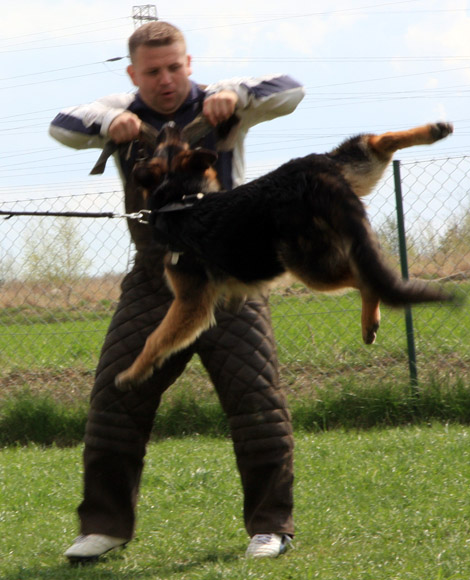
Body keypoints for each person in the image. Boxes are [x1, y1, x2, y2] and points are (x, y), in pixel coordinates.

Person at [49, 21, 305, 563]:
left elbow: (291, 90)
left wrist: (234, 94)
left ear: (189, 65)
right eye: (152, 71)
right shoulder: (119, 110)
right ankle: (105, 527)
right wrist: (110, 121)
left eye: (173, 67)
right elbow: (63, 126)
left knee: (256, 402)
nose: (165, 80)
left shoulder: (223, 102)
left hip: (229, 277)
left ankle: (270, 527)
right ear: (132, 74)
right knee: (115, 398)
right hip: (155, 278)